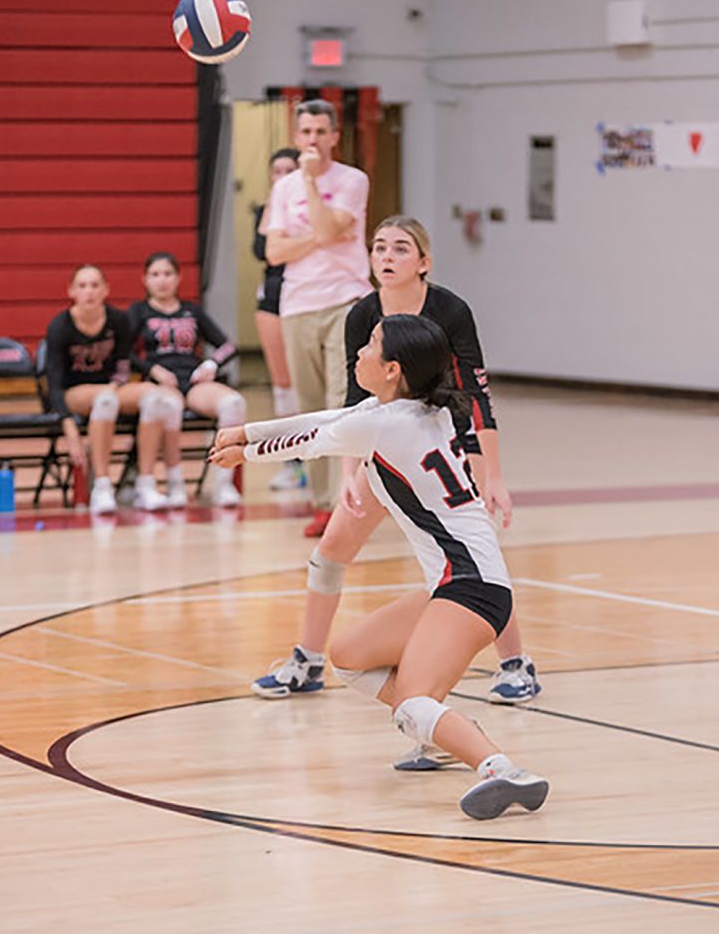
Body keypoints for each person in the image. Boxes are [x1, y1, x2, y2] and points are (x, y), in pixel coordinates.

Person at [209, 314, 549, 820]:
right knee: (347, 655)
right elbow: (325, 420)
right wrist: (244, 430)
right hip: (457, 584)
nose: (360, 353)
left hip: (472, 588)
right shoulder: (405, 410)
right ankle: (439, 729)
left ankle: (502, 769)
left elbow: (312, 442)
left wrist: (247, 453)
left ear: (393, 369)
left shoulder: (387, 423)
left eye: (370, 346)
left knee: (412, 699)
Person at [251, 217, 541, 750]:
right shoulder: (363, 314)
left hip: (443, 444)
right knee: (333, 546)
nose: (386, 256)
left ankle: (514, 662)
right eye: (379, 247)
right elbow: (349, 403)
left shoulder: (450, 310)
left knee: (472, 553)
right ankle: (309, 659)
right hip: (380, 444)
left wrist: (492, 471)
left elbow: (477, 391)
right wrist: (348, 475)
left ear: (423, 261)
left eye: (400, 248)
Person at [265, 98, 372, 536]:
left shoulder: (352, 180)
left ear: (334, 135)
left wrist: (310, 184)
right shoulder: (281, 189)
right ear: (296, 136)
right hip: (298, 304)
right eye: (305, 132)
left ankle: (343, 504)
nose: (312, 140)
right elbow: (274, 252)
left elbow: (332, 232)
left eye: (319, 132)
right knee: (310, 408)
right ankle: (321, 501)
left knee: (341, 403)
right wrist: (320, 234)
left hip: (345, 299)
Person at [45, 264, 181, 513]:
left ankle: (145, 484)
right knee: (106, 400)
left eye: (95, 285)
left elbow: (123, 364)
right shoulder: (60, 326)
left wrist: (115, 385)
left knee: (156, 397)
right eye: (83, 286)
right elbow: (53, 383)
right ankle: (102, 486)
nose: (89, 292)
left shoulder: (117, 320)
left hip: (110, 388)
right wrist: (69, 428)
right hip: (75, 391)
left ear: (106, 290)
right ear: (71, 291)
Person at [127, 251, 246, 507]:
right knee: (169, 405)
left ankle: (222, 483)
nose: (162, 280)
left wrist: (210, 363)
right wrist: (153, 369)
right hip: (159, 382)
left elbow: (227, 345)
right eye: (155, 274)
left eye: (168, 274)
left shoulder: (192, 311)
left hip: (192, 380)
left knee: (233, 403)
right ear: (145, 279)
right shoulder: (139, 312)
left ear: (179, 278)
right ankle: (173, 482)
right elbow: (122, 350)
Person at [252, 147, 304, 491]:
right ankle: (291, 461)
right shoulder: (267, 210)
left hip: (307, 293)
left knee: (308, 384)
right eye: (277, 171)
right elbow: (262, 250)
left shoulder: (310, 210)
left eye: (290, 170)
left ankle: (318, 463)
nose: (283, 175)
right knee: (282, 385)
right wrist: (275, 201)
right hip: (272, 294)